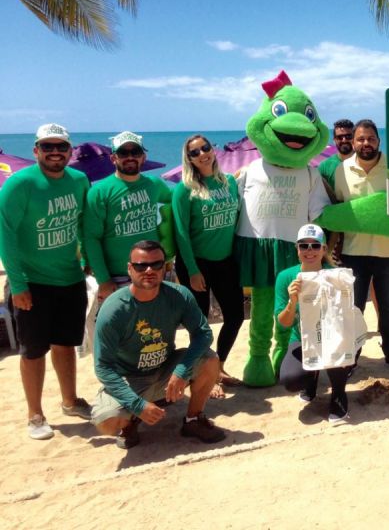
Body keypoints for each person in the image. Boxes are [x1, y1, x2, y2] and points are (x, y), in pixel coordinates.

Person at [0, 123, 92, 439]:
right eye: (47, 146)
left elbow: (83, 223)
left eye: (61, 147)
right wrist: (18, 285)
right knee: (33, 351)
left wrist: (86, 259)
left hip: (70, 278)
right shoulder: (20, 184)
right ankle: (35, 414)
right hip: (31, 282)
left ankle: (70, 401)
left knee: (66, 344)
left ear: (70, 151)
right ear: (36, 150)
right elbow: (6, 236)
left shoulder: (79, 180)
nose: (55, 152)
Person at [91, 241, 226, 449]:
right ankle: (130, 422)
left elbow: (203, 334)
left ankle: (193, 419)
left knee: (210, 359)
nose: (149, 270)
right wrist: (137, 404)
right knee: (106, 422)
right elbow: (103, 367)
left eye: (156, 265)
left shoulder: (179, 295)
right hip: (130, 377)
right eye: (140, 266)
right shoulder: (114, 309)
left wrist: (181, 370)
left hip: (165, 369)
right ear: (129, 269)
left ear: (165, 267)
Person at [334, 119, 389, 371]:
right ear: (353, 142)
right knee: (353, 308)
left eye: (371, 139)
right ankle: (351, 357)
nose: (366, 143)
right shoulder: (341, 171)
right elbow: (338, 212)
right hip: (353, 252)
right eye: (360, 139)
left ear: (379, 141)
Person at [172, 134, 244, 396]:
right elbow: (181, 233)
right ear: (189, 159)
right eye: (195, 152)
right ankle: (205, 374)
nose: (202, 154)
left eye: (206, 148)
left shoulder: (230, 182)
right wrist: (192, 270)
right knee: (200, 325)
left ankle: (219, 366)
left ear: (213, 150)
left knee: (235, 317)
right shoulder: (184, 189)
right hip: (196, 263)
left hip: (226, 261)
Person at [83, 131, 172, 302]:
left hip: (154, 273)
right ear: (113, 158)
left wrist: (168, 256)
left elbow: (169, 220)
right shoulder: (99, 192)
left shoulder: (156, 185)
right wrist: (103, 279)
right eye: (123, 153)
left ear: (143, 157)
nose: (130, 157)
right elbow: (91, 238)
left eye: (135, 152)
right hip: (117, 278)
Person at [276, 224, 350, 423]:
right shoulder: (286, 277)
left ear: (324, 249)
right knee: (291, 379)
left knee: (342, 349)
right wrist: (292, 302)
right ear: (297, 249)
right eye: (304, 245)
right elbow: (283, 323)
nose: (309, 250)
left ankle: (339, 394)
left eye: (315, 245)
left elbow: (348, 315)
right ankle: (311, 377)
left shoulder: (336, 275)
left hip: (332, 335)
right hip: (302, 337)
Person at [317, 119, 354, 193]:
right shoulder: (325, 167)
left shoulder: (364, 163)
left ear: (355, 138)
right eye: (340, 137)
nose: (344, 140)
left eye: (348, 136)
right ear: (334, 140)